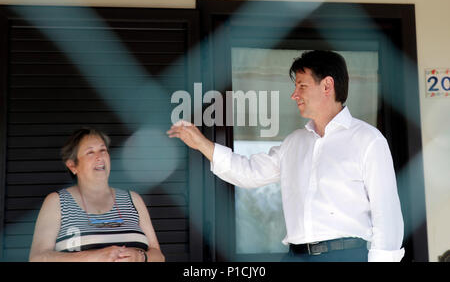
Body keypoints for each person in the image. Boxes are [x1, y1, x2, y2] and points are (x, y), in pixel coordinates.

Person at [167, 50, 405, 262]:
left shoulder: (368, 140)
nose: (294, 95)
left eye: (301, 86)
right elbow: (249, 173)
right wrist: (201, 144)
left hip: (347, 255)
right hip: (295, 255)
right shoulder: (294, 142)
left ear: (327, 86)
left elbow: (388, 216)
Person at [29, 127, 165, 262]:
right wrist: (94, 256)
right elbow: (38, 257)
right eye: (90, 152)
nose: (99, 157)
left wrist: (140, 257)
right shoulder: (57, 201)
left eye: (103, 150)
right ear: (72, 166)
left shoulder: (133, 199)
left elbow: (159, 256)